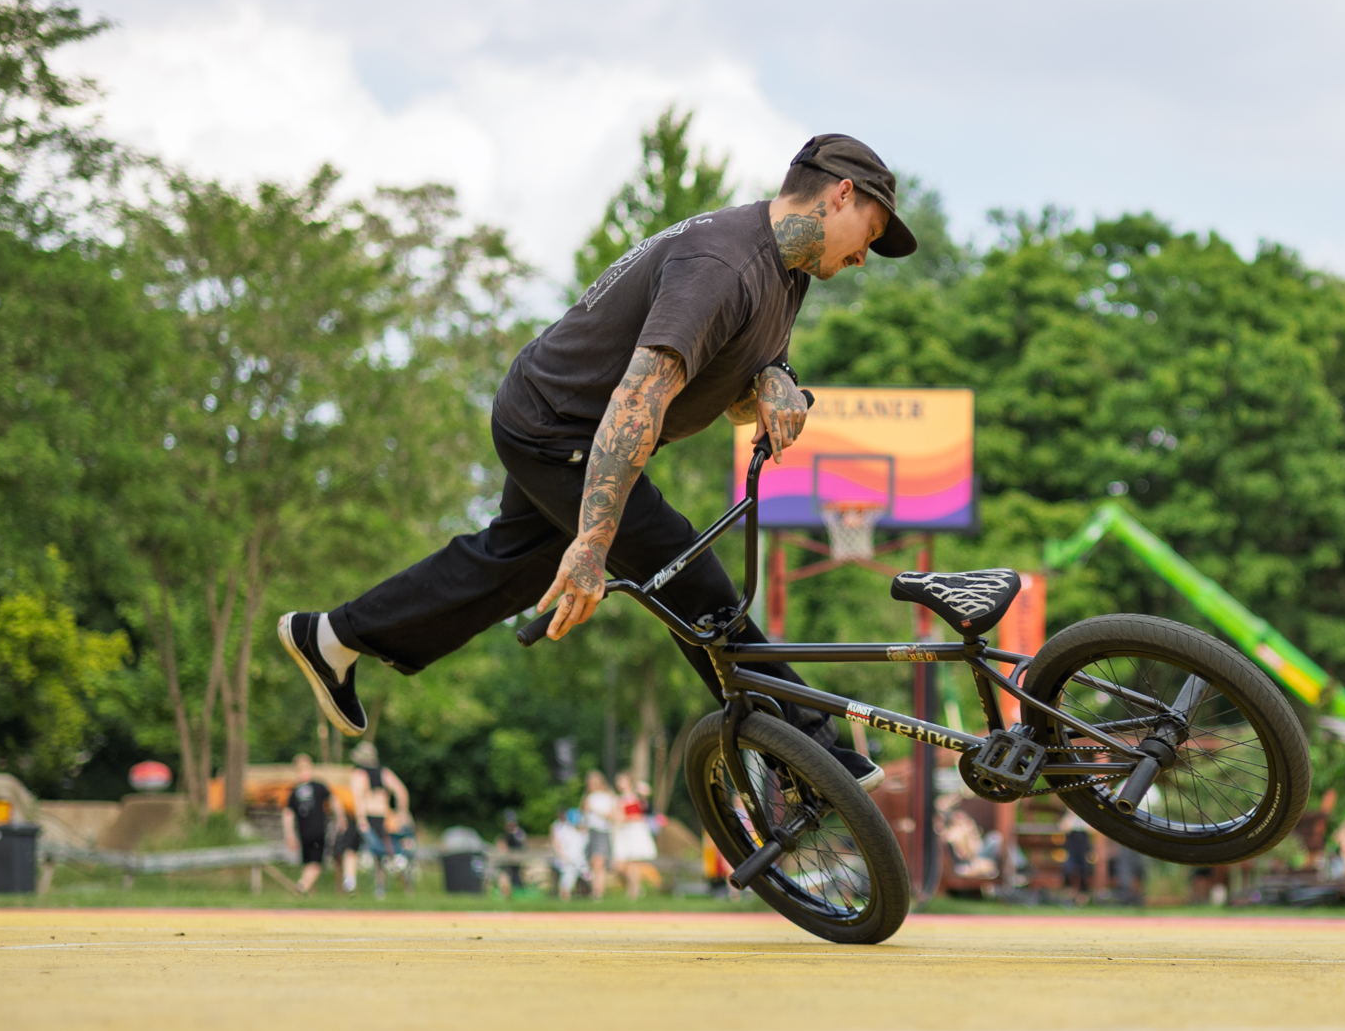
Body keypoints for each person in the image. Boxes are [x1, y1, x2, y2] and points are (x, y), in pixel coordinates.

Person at [277, 135, 916, 795]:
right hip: (563, 426)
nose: (865, 257)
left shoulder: (790, 269)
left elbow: (743, 365)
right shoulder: (722, 263)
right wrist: (592, 541)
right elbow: (637, 400)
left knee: (510, 566)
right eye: (869, 233)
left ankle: (331, 636)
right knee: (691, 579)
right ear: (840, 193)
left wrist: (776, 378)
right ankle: (807, 749)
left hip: (560, 412)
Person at [350, 741, 412, 896]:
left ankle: (356, 885)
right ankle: (395, 887)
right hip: (384, 816)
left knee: (357, 850)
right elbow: (402, 792)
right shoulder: (385, 773)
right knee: (387, 854)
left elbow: (358, 799)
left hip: (368, 818)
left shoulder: (358, 774)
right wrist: (401, 813)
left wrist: (360, 819)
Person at [283, 755, 344, 895]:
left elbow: (288, 815)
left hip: (303, 832)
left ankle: (311, 895)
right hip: (318, 830)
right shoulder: (318, 785)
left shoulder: (294, 790)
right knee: (316, 863)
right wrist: (341, 818)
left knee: (307, 863)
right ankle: (302, 886)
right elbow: (334, 800)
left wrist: (289, 834)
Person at [611, 773, 663, 899]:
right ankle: (635, 887)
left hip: (636, 831)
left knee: (635, 863)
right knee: (622, 864)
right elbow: (619, 817)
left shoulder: (637, 796)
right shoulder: (619, 799)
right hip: (626, 831)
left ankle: (633, 891)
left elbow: (646, 804)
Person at [580, 769, 619, 898]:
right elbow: (584, 817)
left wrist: (594, 810)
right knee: (591, 863)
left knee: (598, 863)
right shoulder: (587, 797)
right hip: (591, 832)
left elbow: (611, 816)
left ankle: (598, 892)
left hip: (602, 831)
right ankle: (594, 890)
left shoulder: (608, 797)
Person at [550, 808, 591, 900]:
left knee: (588, 876)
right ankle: (564, 898)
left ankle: (591, 895)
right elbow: (557, 844)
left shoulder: (582, 833)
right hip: (568, 859)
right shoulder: (565, 830)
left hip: (580, 860)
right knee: (567, 878)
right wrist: (563, 857)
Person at [492, 810, 532, 897]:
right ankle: (505, 892)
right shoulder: (505, 834)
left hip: (516, 861)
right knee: (502, 874)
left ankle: (513, 892)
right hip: (506, 861)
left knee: (515, 877)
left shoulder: (518, 834)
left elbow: (522, 848)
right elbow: (501, 846)